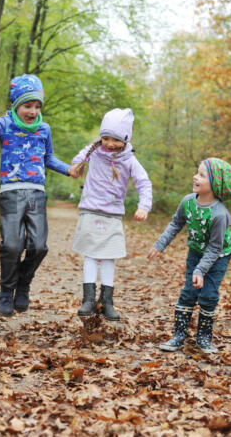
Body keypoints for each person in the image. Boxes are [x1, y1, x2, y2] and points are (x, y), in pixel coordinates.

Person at [0, 74, 78, 317]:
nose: (33, 110)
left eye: (37, 106)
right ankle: (6, 291)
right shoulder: (5, 124)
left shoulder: (44, 129)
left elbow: (48, 158)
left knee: (39, 246)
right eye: (28, 105)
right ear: (16, 104)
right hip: (11, 193)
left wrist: (68, 170)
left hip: (37, 194)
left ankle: (23, 284)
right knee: (11, 245)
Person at [148, 158, 231, 353]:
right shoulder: (188, 201)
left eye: (201, 175)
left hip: (219, 256)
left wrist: (201, 270)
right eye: (196, 173)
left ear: (215, 184)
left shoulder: (219, 214)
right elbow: (175, 223)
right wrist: (160, 244)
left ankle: (204, 338)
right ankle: (179, 336)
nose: (195, 177)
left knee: (208, 295)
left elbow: (215, 247)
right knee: (189, 292)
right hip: (196, 252)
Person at [71, 108, 152, 321]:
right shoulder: (94, 150)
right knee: (90, 253)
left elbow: (144, 183)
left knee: (109, 256)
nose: (109, 143)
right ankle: (88, 299)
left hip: (113, 214)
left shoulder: (130, 160)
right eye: (105, 138)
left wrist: (144, 206)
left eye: (115, 139)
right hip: (90, 209)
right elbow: (79, 159)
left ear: (125, 139)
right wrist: (75, 167)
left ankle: (107, 300)